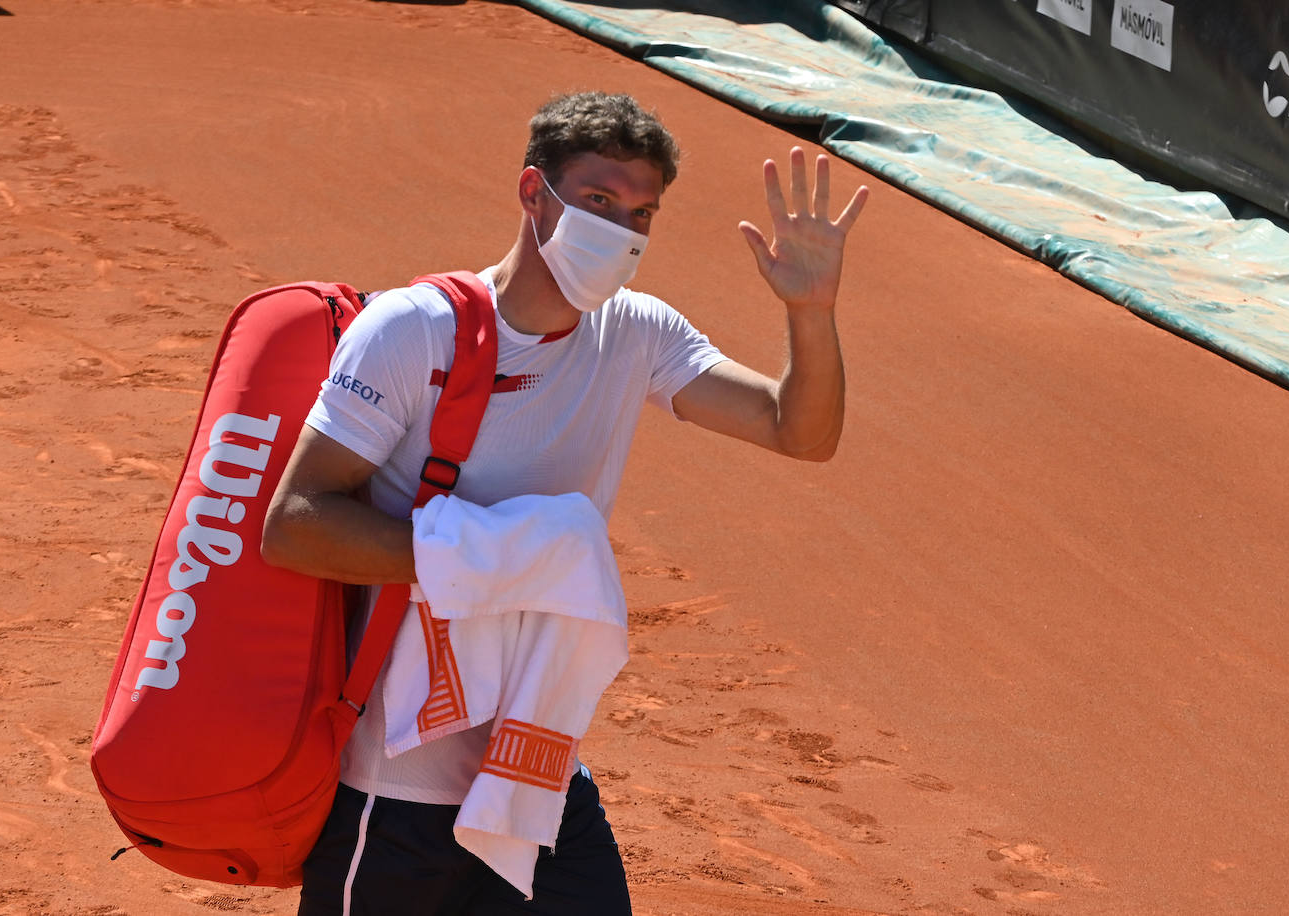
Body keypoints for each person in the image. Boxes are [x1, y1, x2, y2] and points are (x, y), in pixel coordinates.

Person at [261, 91, 869, 915]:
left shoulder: (638, 333)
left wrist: (812, 313)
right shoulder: (410, 332)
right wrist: (509, 554)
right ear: (531, 192)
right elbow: (295, 524)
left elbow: (798, 431)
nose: (623, 230)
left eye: (642, 212)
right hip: (396, 783)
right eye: (598, 201)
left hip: (532, 772)